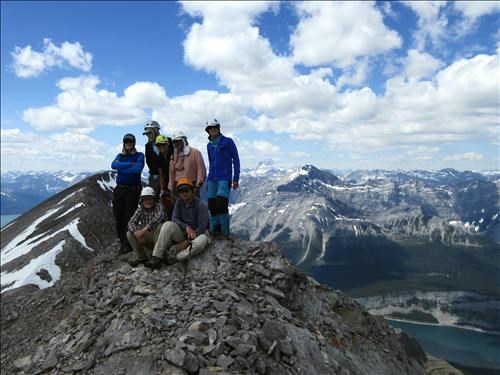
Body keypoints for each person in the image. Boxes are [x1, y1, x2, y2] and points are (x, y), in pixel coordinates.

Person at [145, 179, 211, 269]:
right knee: (167, 224)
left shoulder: (201, 205)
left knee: (201, 242)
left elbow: (203, 226)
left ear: (192, 191)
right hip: (184, 233)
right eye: (181, 191)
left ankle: (176, 257)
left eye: (186, 190)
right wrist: (186, 227)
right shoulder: (179, 202)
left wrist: (187, 241)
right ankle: (156, 257)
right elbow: (174, 219)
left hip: (199, 233)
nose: (184, 193)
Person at [205, 119, 240, 238]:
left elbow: (236, 160)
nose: (213, 129)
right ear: (208, 131)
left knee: (221, 205)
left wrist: (235, 178)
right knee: (212, 207)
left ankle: (225, 234)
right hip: (212, 179)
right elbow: (210, 163)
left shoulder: (228, 142)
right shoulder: (209, 146)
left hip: (224, 178)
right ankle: (215, 231)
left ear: (218, 128)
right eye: (210, 128)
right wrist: (207, 181)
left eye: (215, 127)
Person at [111, 133, 144, 254]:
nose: (128, 143)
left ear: (134, 143)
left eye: (130, 141)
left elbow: (138, 169)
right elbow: (113, 165)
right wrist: (130, 164)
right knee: (118, 217)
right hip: (120, 189)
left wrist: (122, 168)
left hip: (133, 190)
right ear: (124, 143)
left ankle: (128, 244)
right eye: (126, 142)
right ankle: (123, 242)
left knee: (129, 217)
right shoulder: (120, 155)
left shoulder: (140, 155)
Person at [127, 187, 166, 267]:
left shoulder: (159, 207)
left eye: (150, 199)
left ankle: (157, 256)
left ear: (153, 199)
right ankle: (141, 257)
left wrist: (145, 229)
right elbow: (131, 223)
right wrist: (136, 234)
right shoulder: (140, 209)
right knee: (129, 234)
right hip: (148, 237)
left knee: (160, 226)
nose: (148, 201)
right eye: (145, 199)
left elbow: (159, 217)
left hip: (160, 239)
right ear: (142, 200)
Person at [168, 131, 206, 197]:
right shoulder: (173, 156)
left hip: (192, 186)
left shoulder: (195, 153)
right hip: (178, 187)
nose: (177, 143)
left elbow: (201, 170)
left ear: (184, 141)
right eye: (175, 142)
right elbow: (171, 174)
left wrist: (197, 186)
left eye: (179, 141)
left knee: (194, 206)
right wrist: (171, 189)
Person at [155, 134, 175, 220]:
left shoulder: (174, 153)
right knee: (164, 200)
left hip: (176, 178)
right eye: (159, 145)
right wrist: (162, 189)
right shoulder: (159, 157)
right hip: (167, 179)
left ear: (167, 144)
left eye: (163, 144)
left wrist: (172, 188)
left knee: (175, 199)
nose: (161, 147)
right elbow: (161, 174)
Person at [143, 120, 162, 195]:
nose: (148, 135)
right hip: (155, 176)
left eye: (149, 133)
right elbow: (149, 162)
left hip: (168, 175)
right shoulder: (148, 146)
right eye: (147, 134)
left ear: (156, 131)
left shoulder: (167, 142)